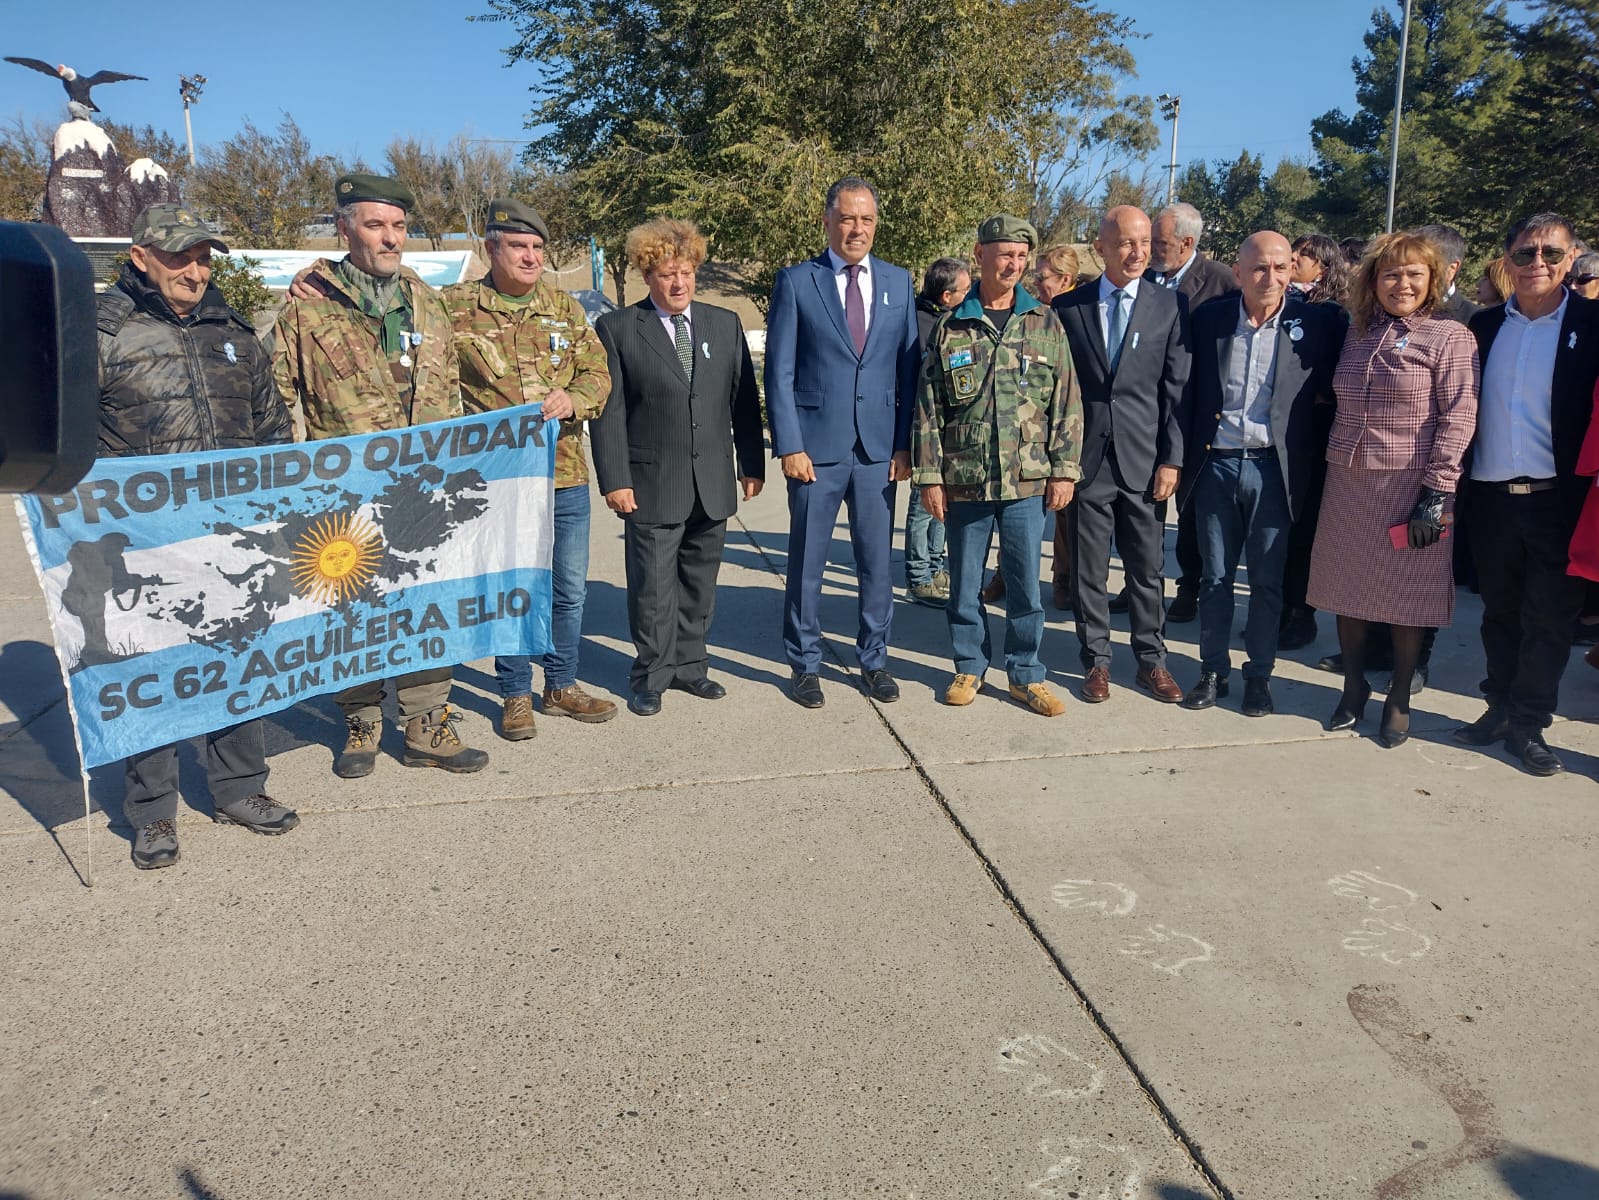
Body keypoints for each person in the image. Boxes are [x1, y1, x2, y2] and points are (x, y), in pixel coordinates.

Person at [99, 202, 297, 868]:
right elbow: (67, 438)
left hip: (230, 538)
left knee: (237, 661)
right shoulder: (104, 334)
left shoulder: (234, 331)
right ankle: (153, 815)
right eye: (181, 255)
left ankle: (241, 788)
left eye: (204, 256)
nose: (196, 268)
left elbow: (271, 429)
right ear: (140, 257)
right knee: (149, 673)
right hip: (141, 543)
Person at [274, 173, 489, 777]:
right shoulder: (306, 308)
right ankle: (362, 721)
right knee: (352, 610)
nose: (391, 238)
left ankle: (427, 725)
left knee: (424, 603)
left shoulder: (427, 300)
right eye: (375, 225)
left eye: (399, 226)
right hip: (341, 494)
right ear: (344, 228)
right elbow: (273, 397)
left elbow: (464, 391)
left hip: (422, 491)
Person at [440, 198, 617, 739]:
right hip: (497, 480)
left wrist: (575, 398)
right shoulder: (451, 307)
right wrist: (318, 275)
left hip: (564, 475)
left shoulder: (564, 309)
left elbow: (598, 372)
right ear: (491, 248)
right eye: (519, 246)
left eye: (538, 248)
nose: (531, 256)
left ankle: (561, 683)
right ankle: (514, 693)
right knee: (511, 587)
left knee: (568, 588)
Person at [1307, 232, 1479, 749]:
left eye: (1413, 274)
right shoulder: (1358, 332)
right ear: (1372, 280)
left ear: (1432, 279)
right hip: (1349, 479)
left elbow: (1459, 417)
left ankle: (1399, 694)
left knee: (1408, 596)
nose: (1401, 283)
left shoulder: (1449, 337)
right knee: (1348, 590)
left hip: (1413, 484)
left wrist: (1438, 492)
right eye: (1390, 273)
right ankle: (1353, 685)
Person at [590, 218, 764, 715]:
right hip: (650, 482)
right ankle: (651, 673)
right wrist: (616, 478)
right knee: (652, 588)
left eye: (686, 272)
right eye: (668, 273)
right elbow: (610, 411)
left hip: (710, 481)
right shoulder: (619, 329)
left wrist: (751, 465)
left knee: (699, 583)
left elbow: (743, 403)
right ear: (649, 275)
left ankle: (691, 667)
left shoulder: (722, 323)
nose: (679, 283)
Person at [914, 215, 1082, 715]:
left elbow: (1067, 401)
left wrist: (1064, 469)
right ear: (980, 255)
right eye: (1004, 253)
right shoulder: (953, 324)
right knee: (965, 583)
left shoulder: (1045, 322)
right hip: (966, 479)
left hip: (1028, 480)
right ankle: (969, 666)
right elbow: (928, 407)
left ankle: (1025, 672)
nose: (1013, 264)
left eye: (1021, 256)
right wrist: (929, 476)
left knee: (1025, 583)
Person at [765, 176, 922, 708]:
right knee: (807, 562)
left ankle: (874, 660)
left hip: (879, 451)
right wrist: (789, 444)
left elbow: (908, 374)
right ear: (827, 220)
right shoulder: (796, 281)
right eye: (849, 218)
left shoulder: (899, 284)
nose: (858, 229)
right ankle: (804, 662)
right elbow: (779, 371)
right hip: (815, 450)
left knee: (877, 563)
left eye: (867, 220)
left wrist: (904, 445)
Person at [1177, 232, 1347, 716]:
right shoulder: (1208, 319)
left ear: (1292, 270)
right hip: (1217, 464)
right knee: (1214, 577)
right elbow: (1186, 393)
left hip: (1275, 469)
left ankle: (1260, 676)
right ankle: (1213, 671)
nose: (1270, 277)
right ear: (1238, 271)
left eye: (1280, 267)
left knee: (1269, 582)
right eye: (1259, 268)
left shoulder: (1316, 324)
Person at [1458, 212, 1599, 776]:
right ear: (1508, 258)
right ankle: (1498, 706)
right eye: (1525, 253)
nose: (1537, 263)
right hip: (1490, 495)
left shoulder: (1593, 323)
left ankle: (1529, 722)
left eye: (1551, 254)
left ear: (1570, 261)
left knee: (1549, 618)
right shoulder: (1482, 327)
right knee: (1499, 611)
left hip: (1559, 499)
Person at [1053, 205, 1191, 704]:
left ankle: (1151, 662)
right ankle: (1096, 663)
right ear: (1101, 247)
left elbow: (1176, 392)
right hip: (1086, 462)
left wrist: (1171, 459)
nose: (1138, 253)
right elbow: (1058, 391)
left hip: (1144, 460)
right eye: (1127, 244)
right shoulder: (1070, 308)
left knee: (1146, 569)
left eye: (1145, 243)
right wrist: (1060, 461)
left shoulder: (1169, 306)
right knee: (1088, 569)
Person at [1143, 202, 1239, 626]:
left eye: (1159, 243)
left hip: (1194, 411)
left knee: (1192, 508)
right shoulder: (1145, 277)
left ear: (1187, 243)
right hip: (1144, 410)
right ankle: (1139, 585)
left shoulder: (1221, 283)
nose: (1150, 250)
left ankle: (1190, 587)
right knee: (1143, 507)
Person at [1277, 233, 1351, 653]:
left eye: (1303, 255)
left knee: (1303, 530)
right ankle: (1278, 608)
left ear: (1322, 266)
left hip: (1314, 435)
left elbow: (1334, 377)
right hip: (1279, 434)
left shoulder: (1332, 314)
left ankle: (1300, 613)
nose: (1294, 258)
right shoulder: (1280, 304)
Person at [906, 257, 968, 607]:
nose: (970, 294)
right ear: (946, 296)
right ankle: (918, 578)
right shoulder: (920, 324)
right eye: (965, 290)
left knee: (945, 502)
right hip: (925, 427)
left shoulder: (953, 321)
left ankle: (934, 565)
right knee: (922, 504)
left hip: (951, 428)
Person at [1288, 234, 1350, 308]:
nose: (1292, 255)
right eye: (1293, 250)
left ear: (1323, 272)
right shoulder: (1274, 293)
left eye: (1304, 254)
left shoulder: (1329, 311)